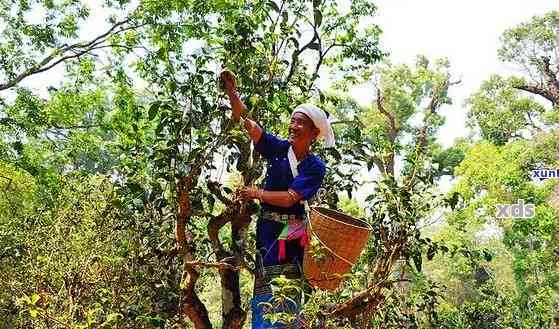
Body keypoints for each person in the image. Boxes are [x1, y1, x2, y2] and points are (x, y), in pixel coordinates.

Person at [220, 70, 334, 329]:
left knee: (288, 286)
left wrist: (256, 193)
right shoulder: (279, 148)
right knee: (265, 287)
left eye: (300, 123)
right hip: (268, 229)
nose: (293, 127)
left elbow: (291, 198)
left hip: (293, 231)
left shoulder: (315, 166)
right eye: (292, 121)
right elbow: (250, 124)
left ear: (315, 132)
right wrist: (232, 92)